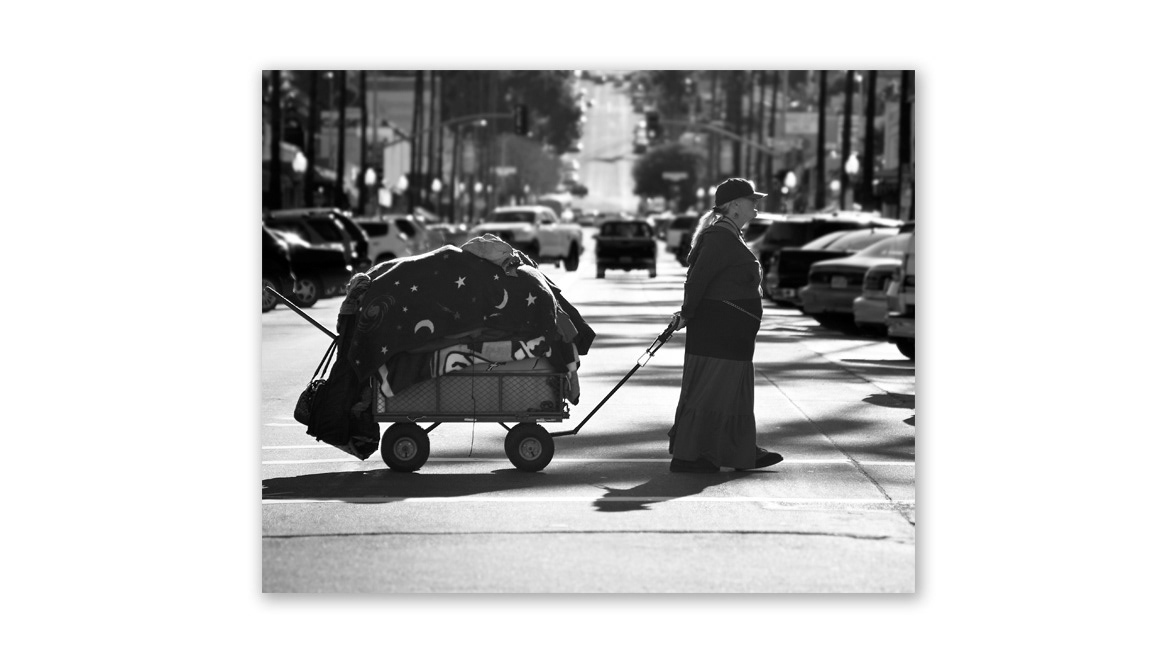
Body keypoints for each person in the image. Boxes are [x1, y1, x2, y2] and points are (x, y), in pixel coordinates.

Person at [666, 178, 784, 473]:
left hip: (730, 336)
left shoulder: (730, 234)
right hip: (718, 334)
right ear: (733, 206)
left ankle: (737, 450)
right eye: (751, 200)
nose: (756, 206)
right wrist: (687, 312)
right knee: (713, 393)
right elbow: (697, 279)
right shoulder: (720, 236)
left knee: (731, 395)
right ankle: (691, 456)